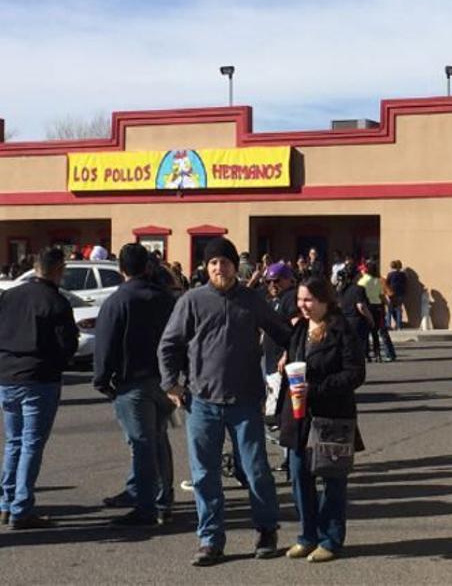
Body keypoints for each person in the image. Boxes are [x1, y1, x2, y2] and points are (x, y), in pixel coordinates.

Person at [158, 238, 293, 567]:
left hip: (245, 400)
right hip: (202, 401)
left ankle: (266, 530)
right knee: (205, 475)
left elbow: (281, 332)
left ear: (236, 265)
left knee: (256, 469)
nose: (220, 267)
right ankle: (210, 539)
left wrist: (294, 351)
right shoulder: (192, 301)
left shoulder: (252, 300)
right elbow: (169, 345)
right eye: (214, 262)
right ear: (207, 267)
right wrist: (171, 384)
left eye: (226, 261)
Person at [277, 277, 365, 562]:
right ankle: (307, 536)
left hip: (332, 415)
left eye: (309, 300)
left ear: (325, 301)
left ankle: (330, 539)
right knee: (299, 475)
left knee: (332, 479)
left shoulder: (343, 329)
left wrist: (317, 388)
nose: (303, 305)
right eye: (300, 299)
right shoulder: (299, 329)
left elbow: (355, 373)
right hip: (299, 415)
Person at [92, 244, 177, 526]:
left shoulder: (118, 301)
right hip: (164, 380)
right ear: (148, 266)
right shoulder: (165, 299)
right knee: (159, 438)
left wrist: (102, 380)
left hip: (133, 381)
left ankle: (145, 507)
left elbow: (105, 344)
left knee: (142, 444)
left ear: (120, 269)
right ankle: (164, 499)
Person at [0, 248, 78, 529]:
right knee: (31, 444)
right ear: (59, 269)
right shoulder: (56, 301)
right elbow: (68, 344)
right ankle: (21, 507)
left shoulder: (9, 296)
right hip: (40, 378)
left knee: (14, 442)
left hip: (8, 375)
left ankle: (7, 502)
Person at [262, 262, 300, 377]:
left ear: (288, 280)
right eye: (268, 281)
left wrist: (287, 355)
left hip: (283, 364)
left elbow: (298, 329)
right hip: (271, 362)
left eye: (277, 280)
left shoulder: (290, 297)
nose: (272, 284)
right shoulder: (274, 299)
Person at [358, 260, 396, 362]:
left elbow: (359, 294)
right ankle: (377, 354)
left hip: (368, 306)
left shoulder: (363, 281)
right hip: (377, 307)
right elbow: (382, 295)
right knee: (375, 333)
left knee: (365, 332)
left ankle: (366, 355)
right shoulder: (378, 281)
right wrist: (388, 306)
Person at [337, 273, 373, 357]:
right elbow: (361, 306)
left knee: (348, 343)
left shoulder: (340, 290)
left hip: (344, 319)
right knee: (359, 343)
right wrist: (370, 318)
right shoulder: (358, 289)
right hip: (357, 319)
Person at [385, 260, 407, 331]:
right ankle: (399, 325)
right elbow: (405, 282)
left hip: (392, 294)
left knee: (390, 310)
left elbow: (386, 283)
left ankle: (388, 325)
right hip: (400, 293)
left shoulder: (390, 274)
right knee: (399, 309)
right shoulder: (403, 274)